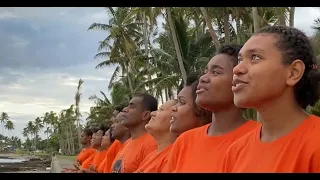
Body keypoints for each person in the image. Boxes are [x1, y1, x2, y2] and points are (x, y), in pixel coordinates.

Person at [223, 26, 320, 173]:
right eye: (239, 60)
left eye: (255, 57)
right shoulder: (235, 152)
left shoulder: (316, 143)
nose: (237, 69)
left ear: (293, 72)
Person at [164, 45, 260, 173]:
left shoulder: (259, 139)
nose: (203, 78)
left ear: (238, 80)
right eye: (205, 72)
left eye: (216, 72)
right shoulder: (185, 141)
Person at [111, 94, 158, 173]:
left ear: (145, 115)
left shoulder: (152, 144)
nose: (125, 109)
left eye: (132, 106)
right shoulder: (126, 143)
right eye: (127, 106)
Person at [134, 99, 178, 173]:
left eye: (161, 109)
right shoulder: (150, 156)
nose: (152, 113)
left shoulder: (173, 157)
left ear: (174, 118)